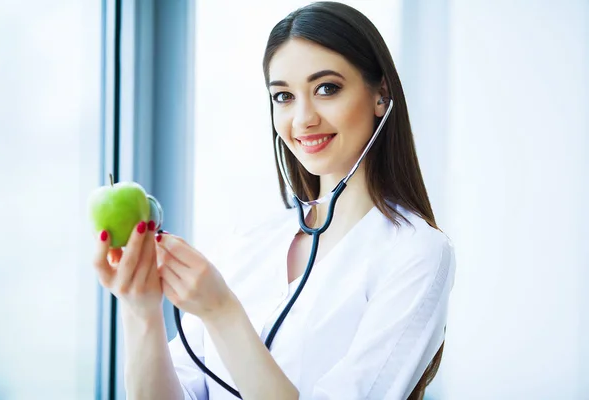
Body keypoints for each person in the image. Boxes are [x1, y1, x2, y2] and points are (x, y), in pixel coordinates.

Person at [92, 2, 456, 399]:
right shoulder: (248, 241)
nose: (302, 119)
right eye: (283, 97)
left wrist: (222, 312)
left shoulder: (416, 253)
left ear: (380, 95)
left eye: (326, 89)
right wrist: (140, 308)